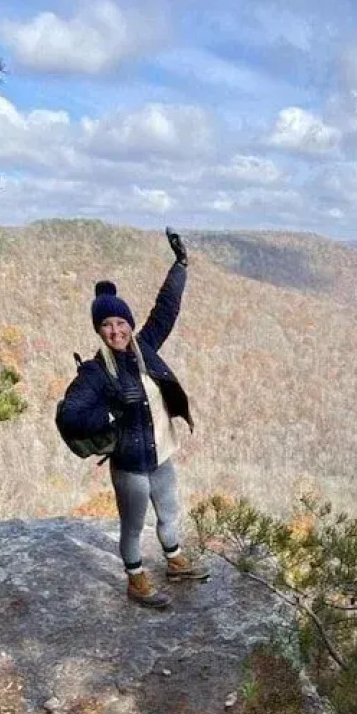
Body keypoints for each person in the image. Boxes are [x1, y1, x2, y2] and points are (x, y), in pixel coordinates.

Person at [58, 227, 209, 608]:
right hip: (129, 463)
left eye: (121, 323)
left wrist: (181, 266)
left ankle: (174, 561)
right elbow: (70, 417)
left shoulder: (145, 348)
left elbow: (167, 309)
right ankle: (136, 580)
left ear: (129, 324)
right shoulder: (95, 372)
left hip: (160, 453)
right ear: (99, 331)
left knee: (170, 513)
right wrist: (111, 411)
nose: (116, 331)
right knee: (133, 525)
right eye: (107, 325)